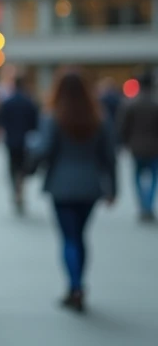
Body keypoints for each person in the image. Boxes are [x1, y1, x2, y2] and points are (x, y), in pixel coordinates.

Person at [27, 68, 118, 313]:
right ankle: (78, 284)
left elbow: (45, 149)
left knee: (69, 238)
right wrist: (113, 188)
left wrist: (30, 164)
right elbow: (109, 157)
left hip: (61, 185)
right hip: (90, 186)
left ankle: (74, 286)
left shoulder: (53, 116)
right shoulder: (99, 117)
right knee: (80, 236)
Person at [116, 70, 158, 222]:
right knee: (153, 177)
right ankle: (148, 206)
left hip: (136, 146)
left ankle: (143, 205)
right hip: (155, 147)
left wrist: (124, 143)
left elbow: (123, 127)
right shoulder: (155, 103)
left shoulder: (131, 104)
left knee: (138, 176)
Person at [1, 74, 42, 214]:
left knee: (13, 167)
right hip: (26, 141)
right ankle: (20, 190)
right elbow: (35, 123)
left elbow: (3, 121)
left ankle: (16, 190)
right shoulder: (29, 102)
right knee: (23, 168)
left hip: (11, 140)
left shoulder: (8, 102)